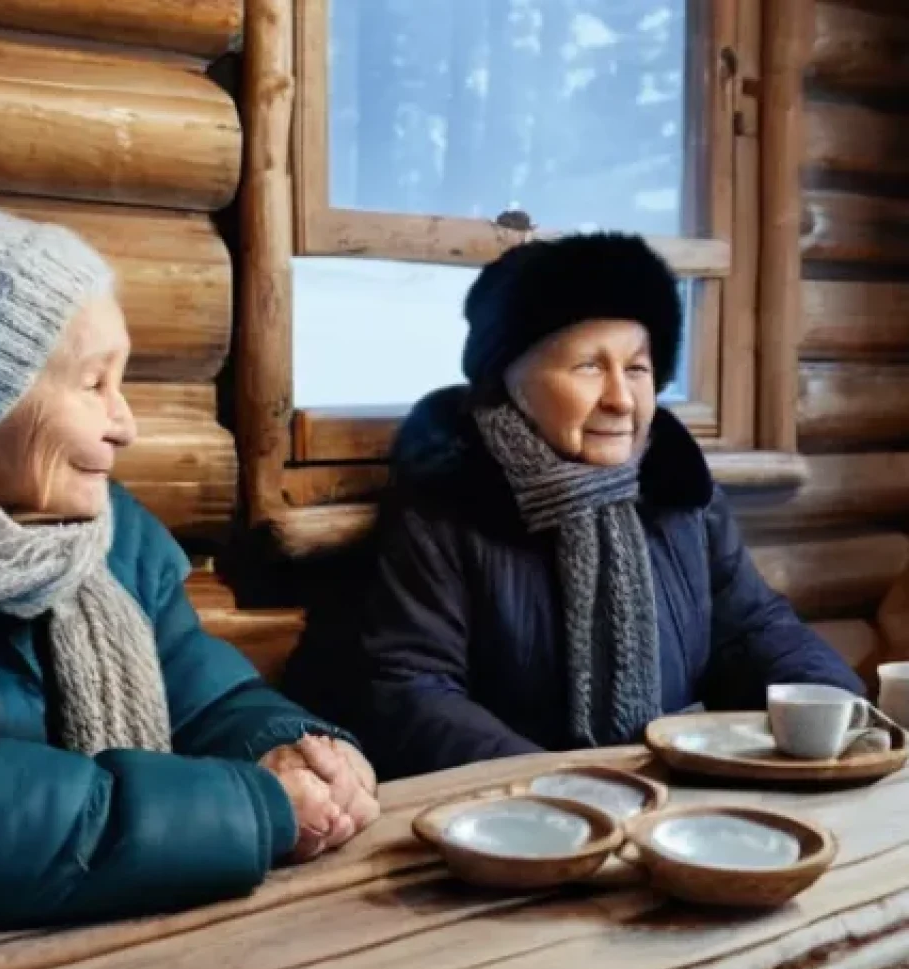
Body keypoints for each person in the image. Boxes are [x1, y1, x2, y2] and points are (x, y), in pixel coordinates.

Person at [0, 203, 378, 932]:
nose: (126, 424)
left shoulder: (109, 541)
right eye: (94, 385)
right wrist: (252, 805)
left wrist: (303, 751)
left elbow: (206, 699)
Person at [342, 233, 865, 781]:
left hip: (672, 794)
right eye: (589, 367)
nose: (620, 398)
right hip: (513, 818)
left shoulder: (677, 490)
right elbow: (409, 688)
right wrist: (565, 785)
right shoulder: (448, 500)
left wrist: (833, 703)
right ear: (511, 380)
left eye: (637, 369)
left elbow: (752, 630)